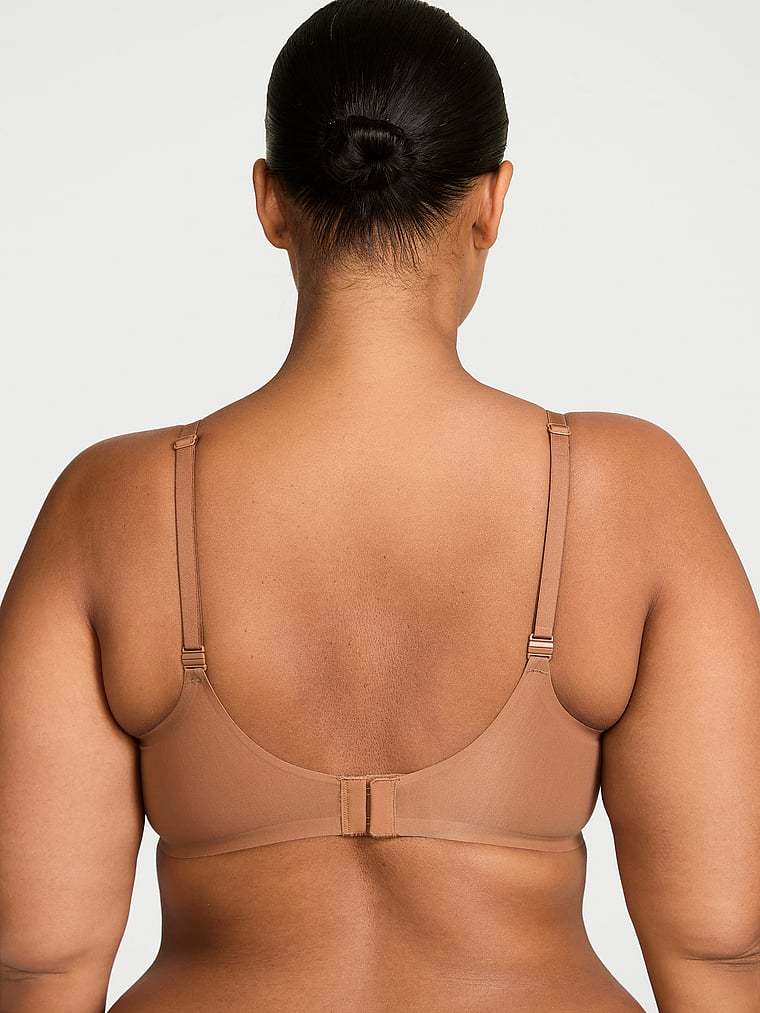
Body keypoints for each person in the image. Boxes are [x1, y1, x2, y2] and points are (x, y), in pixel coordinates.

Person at [1, 1, 758, 1010]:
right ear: (490, 202)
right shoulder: (632, 492)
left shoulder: (109, 507)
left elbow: (39, 960)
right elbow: (720, 951)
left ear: (270, 202)